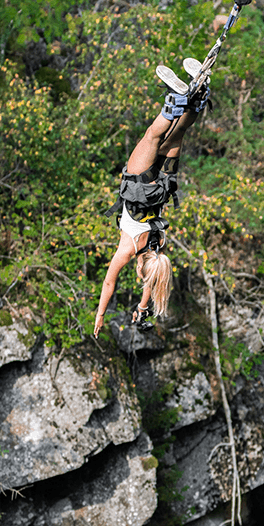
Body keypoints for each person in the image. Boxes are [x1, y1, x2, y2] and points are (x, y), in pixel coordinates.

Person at [93, 59, 210, 339]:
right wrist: (99, 316)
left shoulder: (159, 247)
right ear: (140, 268)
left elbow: (151, 281)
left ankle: (199, 94)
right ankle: (175, 100)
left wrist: (143, 308)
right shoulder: (128, 250)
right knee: (152, 137)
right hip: (139, 187)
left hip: (163, 188)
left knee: (177, 134)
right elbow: (108, 283)